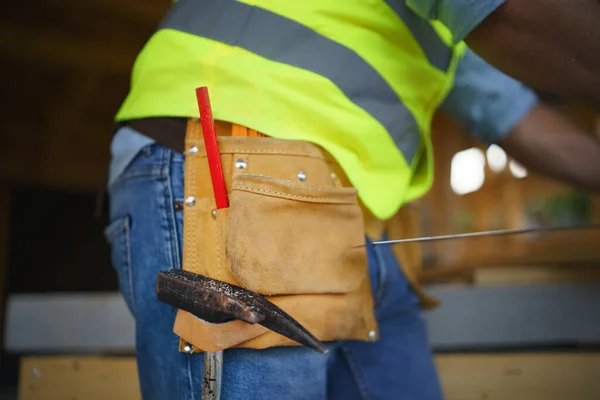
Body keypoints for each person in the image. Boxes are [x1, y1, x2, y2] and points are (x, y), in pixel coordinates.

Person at [103, 1, 600, 399]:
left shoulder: (440, 34)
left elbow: (508, 110)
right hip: (244, 174)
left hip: (365, 233)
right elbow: (519, 15)